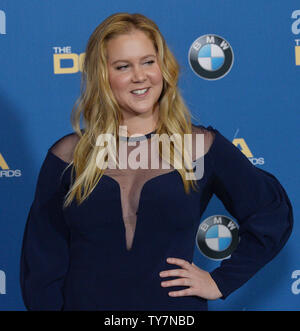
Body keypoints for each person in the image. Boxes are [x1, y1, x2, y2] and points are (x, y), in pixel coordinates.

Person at [20, 12, 293, 311]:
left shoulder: (199, 148)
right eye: (123, 66)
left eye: (148, 62)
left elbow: (272, 213)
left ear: (163, 68)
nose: (140, 76)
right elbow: (42, 261)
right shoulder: (69, 155)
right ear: (102, 75)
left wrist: (221, 281)